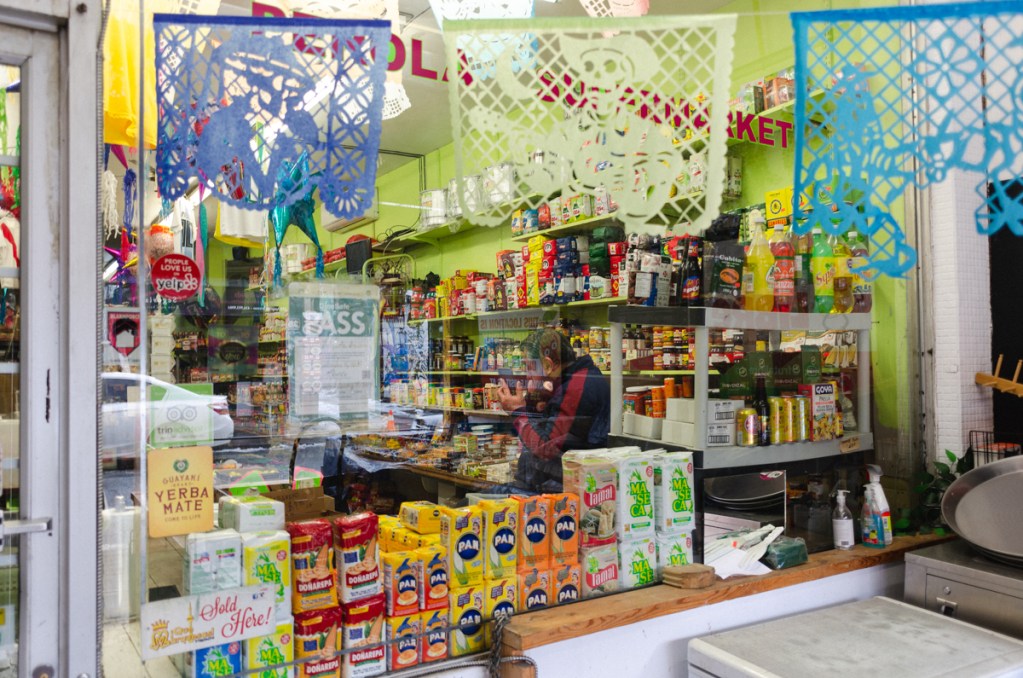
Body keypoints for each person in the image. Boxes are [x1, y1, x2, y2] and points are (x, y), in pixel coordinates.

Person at [497, 328, 610, 493]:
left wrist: (518, 411)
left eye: (530, 367)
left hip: (571, 488)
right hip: (556, 482)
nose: (528, 375)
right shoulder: (569, 379)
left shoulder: (576, 386)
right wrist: (532, 402)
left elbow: (545, 448)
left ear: (548, 365)